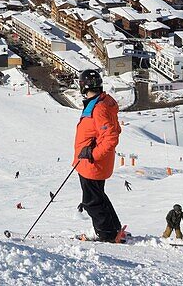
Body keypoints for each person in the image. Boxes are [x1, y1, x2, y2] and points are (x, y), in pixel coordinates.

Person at [73, 69, 124, 242]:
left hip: (91, 163)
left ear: (83, 86)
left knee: (91, 201)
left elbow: (111, 137)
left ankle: (106, 233)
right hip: (90, 161)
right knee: (98, 197)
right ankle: (113, 228)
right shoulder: (99, 102)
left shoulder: (99, 108)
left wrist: (93, 154)